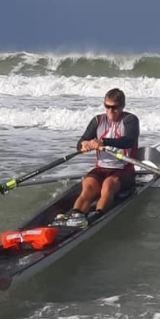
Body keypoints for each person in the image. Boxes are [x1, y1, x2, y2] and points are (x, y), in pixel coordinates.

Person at [57, 88, 139, 226]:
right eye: (107, 107)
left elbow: (129, 141)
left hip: (124, 169)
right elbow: (80, 143)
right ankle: (76, 215)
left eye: (114, 108)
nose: (110, 111)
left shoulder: (130, 120)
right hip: (101, 169)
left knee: (108, 186)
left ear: (122, 106)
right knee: (88, 186)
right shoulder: (97, 120)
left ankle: (96, 217)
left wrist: (104, 142)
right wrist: (84, 144)